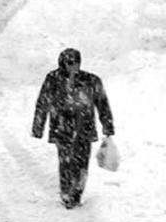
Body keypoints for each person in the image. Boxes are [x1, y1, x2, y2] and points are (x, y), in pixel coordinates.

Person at [31, 48, 114, 209]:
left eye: (76, 62)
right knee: (66, 163)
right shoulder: (53, 79)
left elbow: (102, 104)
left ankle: (77, 193)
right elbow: (43, 103)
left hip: (84, 128)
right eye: (69, 63)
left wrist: (108, 126)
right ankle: (67, 194)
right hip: (62, 129)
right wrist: (38, 127)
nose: (73, 66)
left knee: (82, 163)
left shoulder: (90, 80)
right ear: (62, 63)